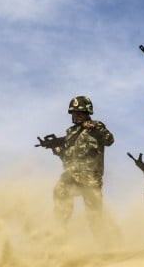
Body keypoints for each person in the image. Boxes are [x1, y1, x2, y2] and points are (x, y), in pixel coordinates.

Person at [49, 96, 114, 231]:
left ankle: (107, 245)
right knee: (60, 192)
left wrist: (93, 127)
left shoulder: (97, 126)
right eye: (74, 112)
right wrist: (58, 151)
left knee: (94, 217)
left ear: (87, 112)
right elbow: (68, 158)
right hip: (72, 175)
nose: (76, 115)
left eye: (80, 112)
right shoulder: (70, 132)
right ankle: (58, 234)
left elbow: (109, 140)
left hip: (90, 178)